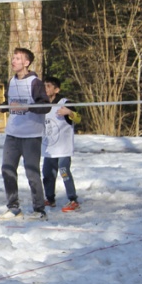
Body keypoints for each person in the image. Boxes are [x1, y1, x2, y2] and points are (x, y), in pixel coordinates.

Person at [0, 47, 50, 221]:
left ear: (26, 62)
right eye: (13, 58)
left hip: (31, 135)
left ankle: (39, 210)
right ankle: (13, 208)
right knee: (7, 170)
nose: (13, 61)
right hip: (12, 134)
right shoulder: (12, 81)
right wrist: (1, 108)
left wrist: (26, 107)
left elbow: (45, 106)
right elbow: (11, 102)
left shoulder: (35, 82)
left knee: (32, 173)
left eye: (18, 58)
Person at [42, 76, 82, 212]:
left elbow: (78, 118)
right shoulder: (42, 104)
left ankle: (73, 200)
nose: (45, 89)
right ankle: (50, 199)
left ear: (56, 89)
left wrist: (69, 112)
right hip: (49, 148)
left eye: (48, 86)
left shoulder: (65, 103)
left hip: (63, 148)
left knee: (64, 171)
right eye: (44, 86)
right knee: (47, 174)